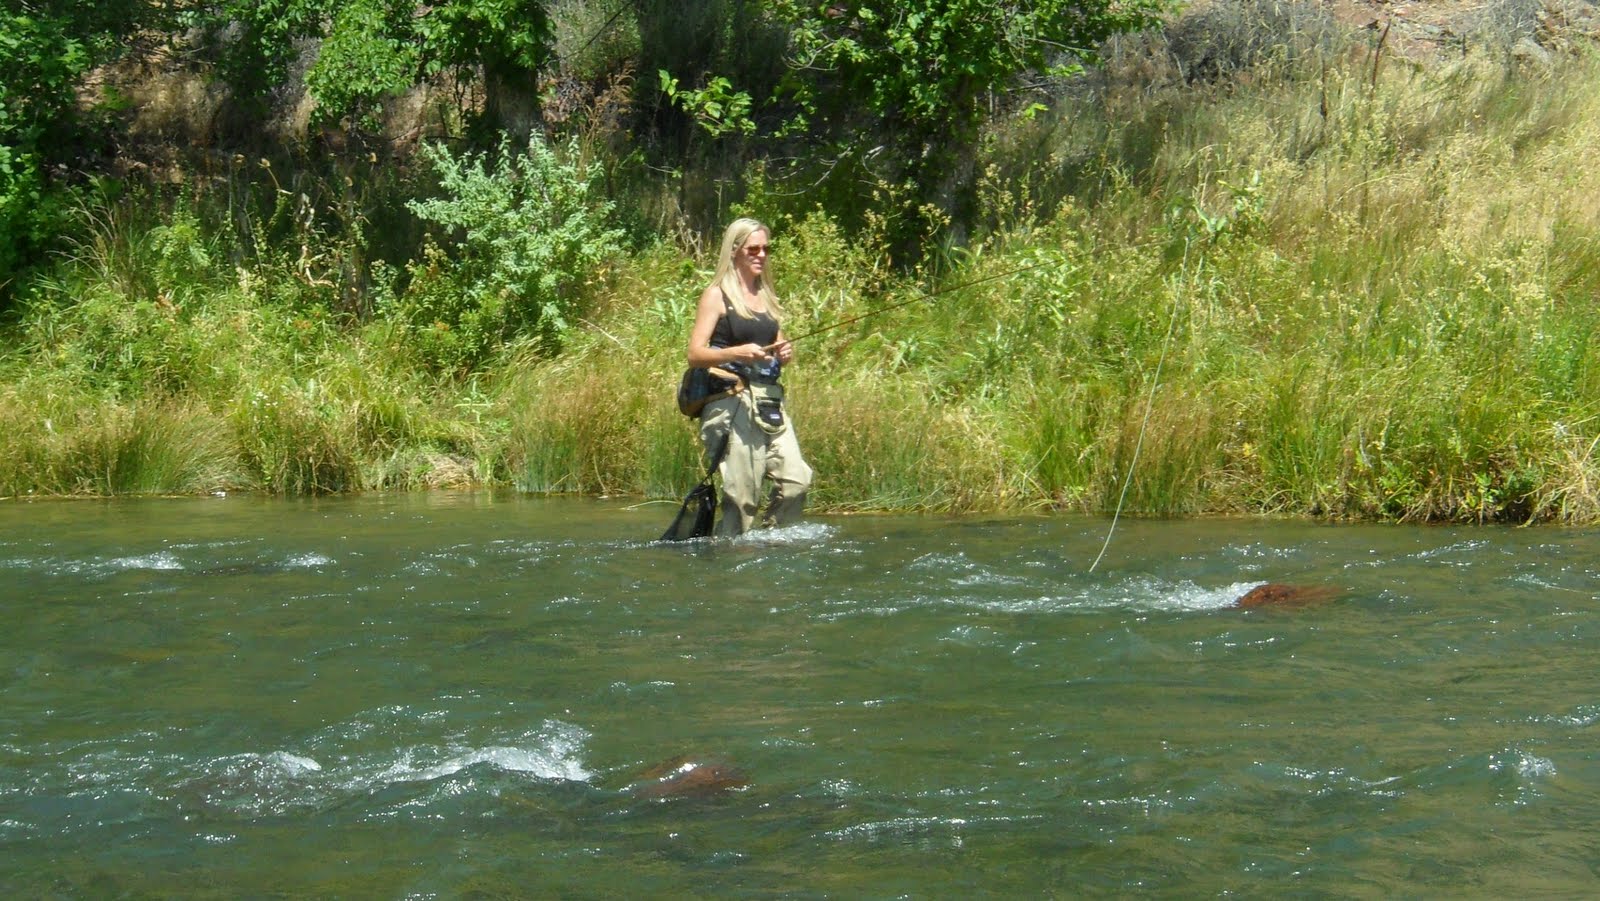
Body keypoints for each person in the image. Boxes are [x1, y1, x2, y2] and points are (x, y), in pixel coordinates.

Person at [685, 218, 813, 536]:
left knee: (797, 480)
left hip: (769, 403)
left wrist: (785, 351)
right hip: (729, 403)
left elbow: (776, 340)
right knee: (743, 497)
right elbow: (695, 354)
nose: (761, 255)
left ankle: (769, 542)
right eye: (753, 249)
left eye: (766, 249)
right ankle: (733, 556)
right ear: (735, 251)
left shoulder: (765, 296)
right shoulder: (716, 295)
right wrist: (736, 353)